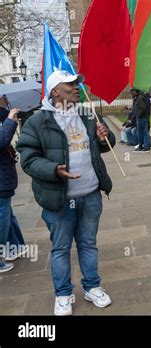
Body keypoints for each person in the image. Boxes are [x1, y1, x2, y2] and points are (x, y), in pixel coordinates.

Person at [16, 70, 115, 316]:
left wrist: (104, 137)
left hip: (91, 195)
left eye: (77, 84)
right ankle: (63, 294)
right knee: (60, 248)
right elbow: (27, 159)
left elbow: (107, 144)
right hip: (59, 200)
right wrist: (53, 170)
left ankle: (92, 287)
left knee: (88, 244)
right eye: (70, 85)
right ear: (55, 92)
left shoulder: (87, 114)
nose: (76, 88)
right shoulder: (37, 121)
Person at [0, 107, 22, 273]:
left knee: (7, 214)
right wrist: (9, 120)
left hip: (4, 182)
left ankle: (15, 247)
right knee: (2, 219)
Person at [131, 88, 151, 153]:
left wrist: (138, 115)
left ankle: (143, 146)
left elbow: (143, 107)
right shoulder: (140, 97)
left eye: (133, 92)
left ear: (136, 92)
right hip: (143, 117)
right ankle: (143, 146)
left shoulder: (140, 98)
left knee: (141, 133)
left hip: (141, 118)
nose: (132, 93)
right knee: (143, 132)